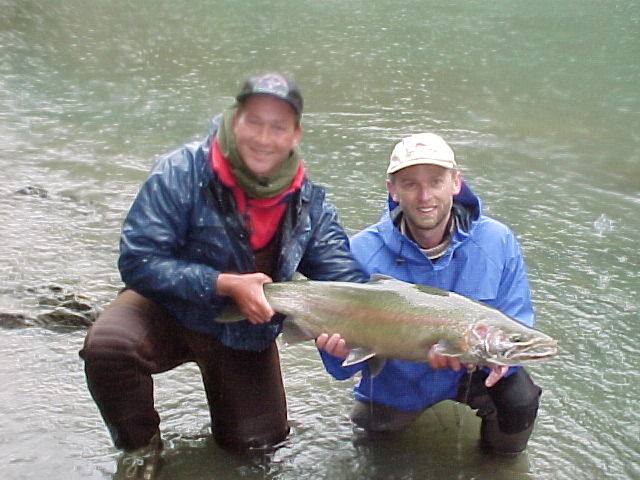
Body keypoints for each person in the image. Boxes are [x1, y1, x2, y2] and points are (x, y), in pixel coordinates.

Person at [79, 72, 365, 478]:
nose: (264, 138)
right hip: (165, 310)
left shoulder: (309, 204)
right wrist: (222, 283)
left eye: (277, 126)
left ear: (294, 135)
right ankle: (139, 448)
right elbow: (138, 260)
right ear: (234, 120)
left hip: (245, 332)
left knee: (256, 451)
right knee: (108, 349)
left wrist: (356, 331)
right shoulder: (179, 172)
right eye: (253, 122)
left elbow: (345, 284)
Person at [317, 133, 542, 456]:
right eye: (410, 184)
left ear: (456, 183)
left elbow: (516, 326)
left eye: (436, 181)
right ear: (392, 190)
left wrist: (501, 364)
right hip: (397, 387)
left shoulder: (497, 241)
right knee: (371, 449)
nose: (425, 196)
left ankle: (498, 467)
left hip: (471, 375)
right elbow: (340, 369)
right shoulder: (359, 252)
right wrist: (336, 353)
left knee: (520, 400)